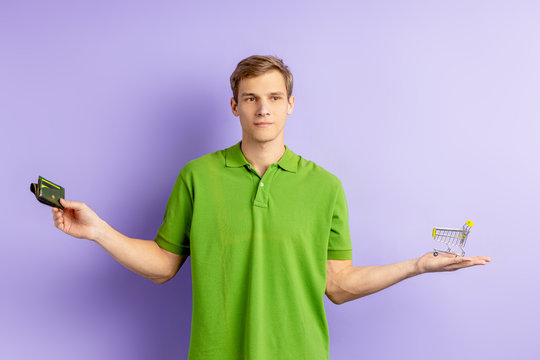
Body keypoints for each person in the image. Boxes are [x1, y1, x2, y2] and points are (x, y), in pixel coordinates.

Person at [51, 55, 491, 360]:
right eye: (251, 98)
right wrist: (97, 231)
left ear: (290, 104)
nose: (263, 108)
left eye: (275, 97)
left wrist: (416, 265)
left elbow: (338, 284)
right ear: (235, 106)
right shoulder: (197, 177)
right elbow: (164, 265)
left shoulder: (325, 187)